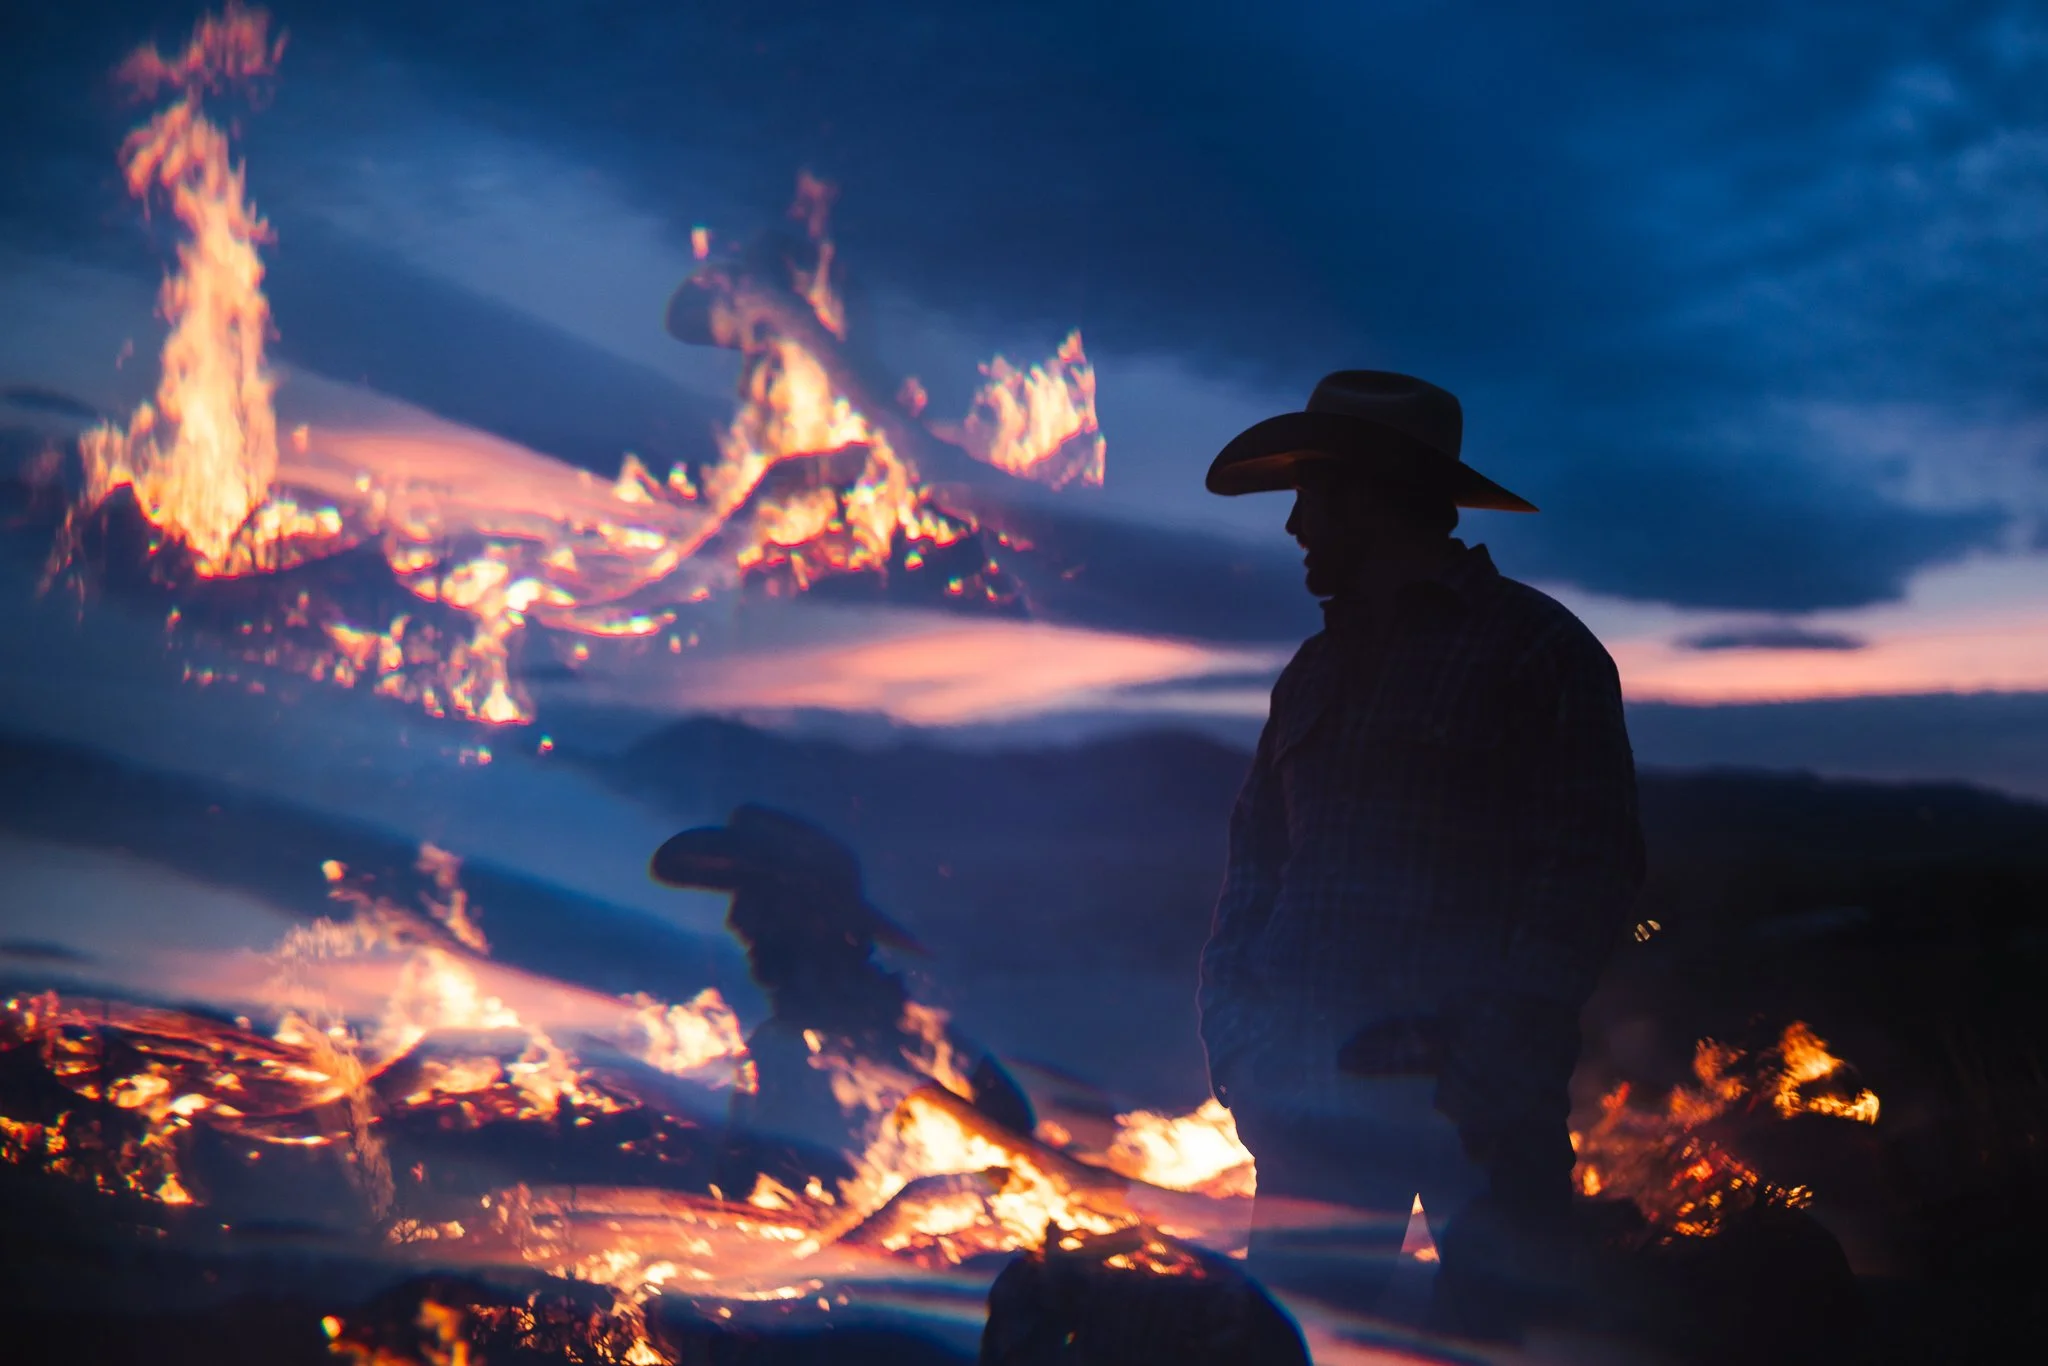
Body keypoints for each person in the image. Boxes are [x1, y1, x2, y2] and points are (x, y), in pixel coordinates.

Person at [1196, 371, 1645, 1337]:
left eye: (1312, 499)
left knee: (1514, 1343)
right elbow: (1254, 877)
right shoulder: (1313, 676)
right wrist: (1241, 1051)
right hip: (1310, 1110)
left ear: (1373, 494)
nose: (1295, 528)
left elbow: (1587, 868)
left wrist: (1499, 1052)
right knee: (1291, 1345)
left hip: (1477, 1117)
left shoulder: (1536, 651)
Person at [650, 804, 1034, 1195]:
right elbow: (737, 1182)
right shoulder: (774, 1048)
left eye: (760, 902)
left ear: (816, 921)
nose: (739, 922)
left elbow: (1013, 1136)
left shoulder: (921, 1048)